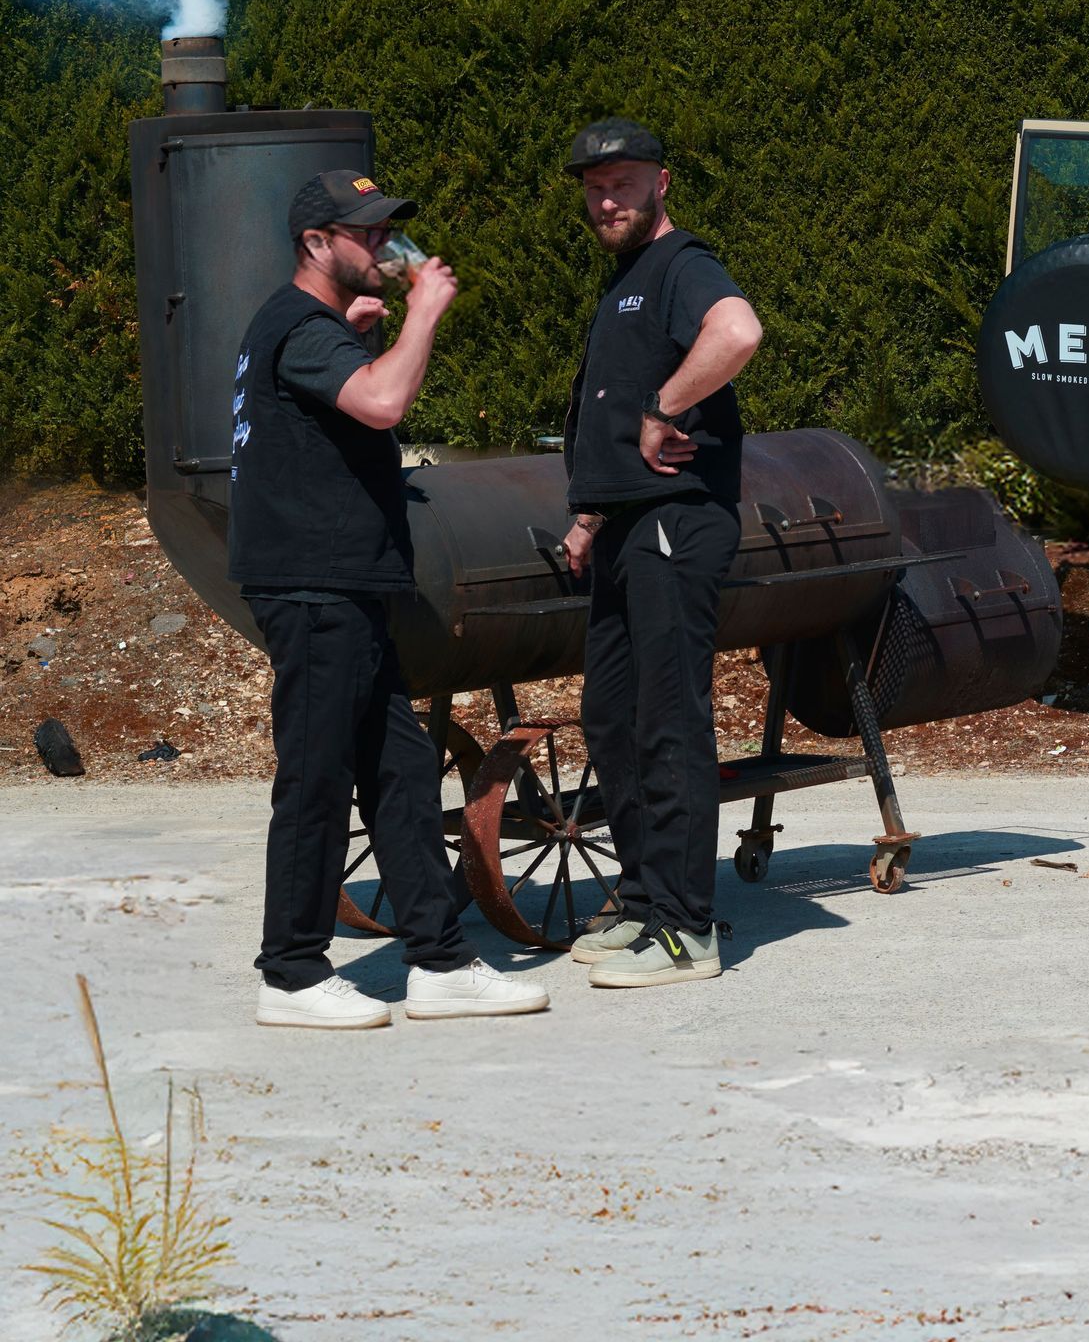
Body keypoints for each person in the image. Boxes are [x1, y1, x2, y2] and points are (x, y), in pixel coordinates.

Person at [231, 170, 547, 1029]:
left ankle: (440, 964)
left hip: (346, 584)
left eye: (385, 230)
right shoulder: (301, 327)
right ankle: (290, 974)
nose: (383, 245)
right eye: (364, 233)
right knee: (318, 776)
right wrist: (423, 314)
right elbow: (381, 401)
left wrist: (363, 330)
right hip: (314, 584)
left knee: (401, 772)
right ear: (315, 244)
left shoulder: (309, 328)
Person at [553, 120, 765, 989]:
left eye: (625, 184)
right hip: (625, 527)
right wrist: (588, 517)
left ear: (662, 183)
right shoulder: (626, 280)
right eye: (596, 188)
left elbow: (739, 332)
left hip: (679, 521)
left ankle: (686, 931)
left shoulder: (682, 265)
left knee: (670, 719)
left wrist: (665, 408)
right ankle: (643, 901)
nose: (609, 201)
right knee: (612, 715)